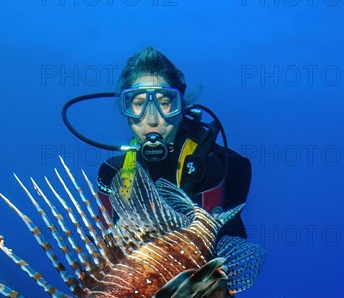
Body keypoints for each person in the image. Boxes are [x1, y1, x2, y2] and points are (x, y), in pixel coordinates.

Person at [97, 47, 251, 238]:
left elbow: (211, 250)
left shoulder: (206, 167)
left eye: (163, 103)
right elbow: (106, 250)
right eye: (138, 103)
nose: (152, 119)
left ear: (179, 108)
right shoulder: (112, 173)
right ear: (126, 111)